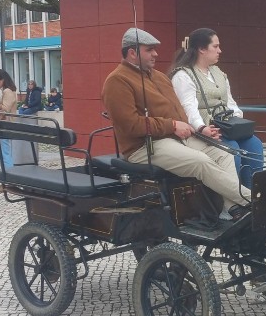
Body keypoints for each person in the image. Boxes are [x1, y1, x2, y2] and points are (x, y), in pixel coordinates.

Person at [102, 27, 249, 216]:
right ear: (132, 53)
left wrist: (193, 128)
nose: (156, 54)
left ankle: (233, 210)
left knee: (224, 153)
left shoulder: (159, 77)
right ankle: (252, 200)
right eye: (149, 50)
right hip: (145, 146)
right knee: (201, 161)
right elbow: (130, 125)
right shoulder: (117, 81)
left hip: (176, 138)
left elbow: (178, 110)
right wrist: (172, 125)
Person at [171, 28, 264, 188]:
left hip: (227, 127)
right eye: (215, 46)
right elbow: (188, 108)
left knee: (254, 145)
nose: (219, 51)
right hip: (204, 131)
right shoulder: (183, 76)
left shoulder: (218, 72)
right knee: (233, 151)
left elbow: (230, 102)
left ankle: (252, 193)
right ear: (201, 49)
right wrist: (202, 128)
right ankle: (231, 198)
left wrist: (238, 122)